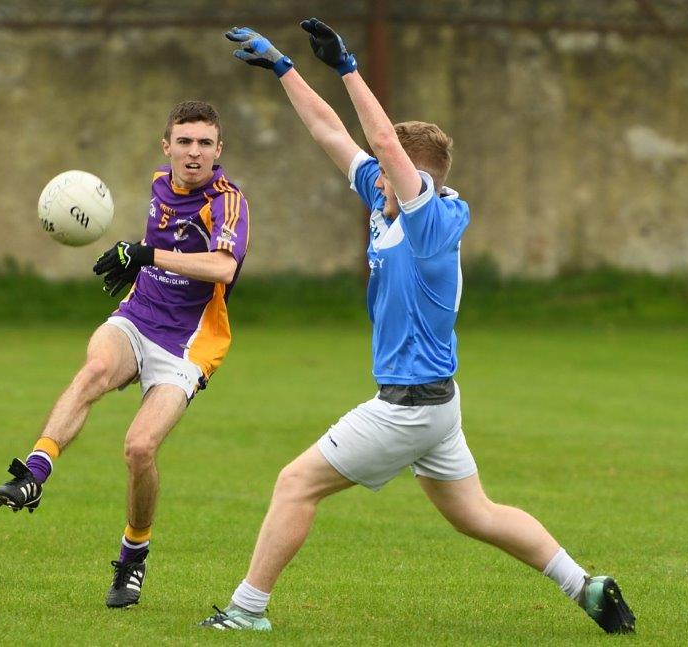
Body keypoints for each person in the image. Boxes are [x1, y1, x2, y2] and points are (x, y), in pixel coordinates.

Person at [199, 21, 635, 634]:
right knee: (476, 514)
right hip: (437, 405)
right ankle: (586, 587)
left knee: (294, 483)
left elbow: (379, 136)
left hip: (407, 406)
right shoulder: (387, 201)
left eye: (385, 166)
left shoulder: (430, 222)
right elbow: (332, 132)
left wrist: (348, 65)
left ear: (414, 174)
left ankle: (247, 612)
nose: (373, 173)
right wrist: (284, 67)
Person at [0, 100, 250, 609]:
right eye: (184, 142)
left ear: (218, 151)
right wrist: (140, 267)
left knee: (139, 449)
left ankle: (134, 554)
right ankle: (35, 474)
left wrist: (147, 254)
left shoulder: (227, 201)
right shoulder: (160, 184)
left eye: (204, 144)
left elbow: (222, 268)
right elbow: (160, 247)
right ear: (167, 146)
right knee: (95, 371)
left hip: (189, 343)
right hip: (139, 316)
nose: (193, 153)